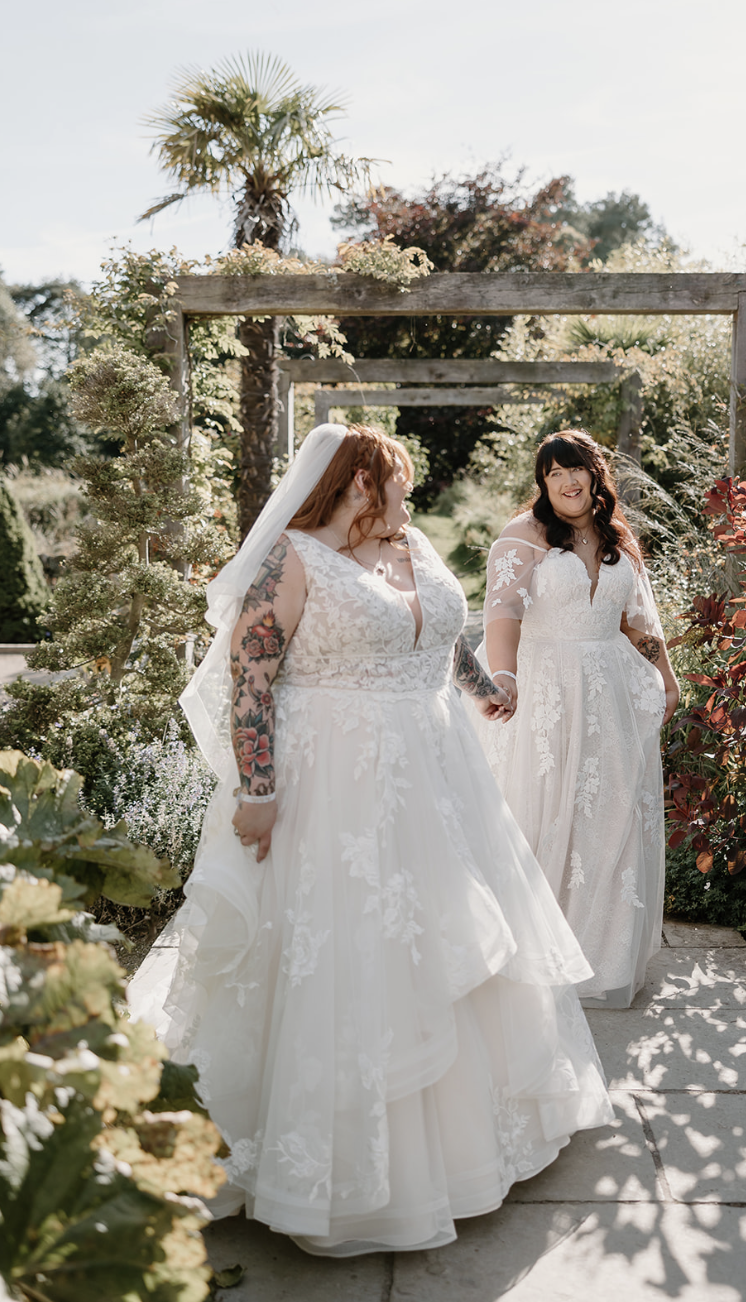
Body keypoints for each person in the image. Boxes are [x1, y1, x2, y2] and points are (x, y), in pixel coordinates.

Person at [155, 423, 613, 1257]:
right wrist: (257, 787)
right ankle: (331, 1169)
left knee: (448, 942)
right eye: (396, 481)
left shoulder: (412, 544)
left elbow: (441, 637)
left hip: (435, 774)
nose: (407, 493)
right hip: (332, 782)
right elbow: (251, 673)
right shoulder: (293, 559)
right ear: (361, 486)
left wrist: (484, 689)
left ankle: (476, 1143)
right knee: (345, 954)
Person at [470, 430, 679, 1009]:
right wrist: (505, 677)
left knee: (607, 815)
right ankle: (530, 953)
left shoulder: (617, 540)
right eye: (554, 473)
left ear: (595, 474)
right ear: (542, 482)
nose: (566, 481)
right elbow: (503, 610)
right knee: (541, 810)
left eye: (576, 469)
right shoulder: (524, 536)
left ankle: (601, 958)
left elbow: (637, 623)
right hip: (545, 691)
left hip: (608, 694)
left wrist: (666, 675)